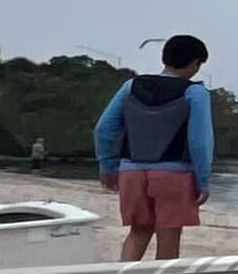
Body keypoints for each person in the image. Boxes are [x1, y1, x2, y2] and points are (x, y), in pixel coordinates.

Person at [91, 35, 216, 261]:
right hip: (174, 173)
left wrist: (107, 166)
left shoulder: (131, 86)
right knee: (169, 235)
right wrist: (203, 180)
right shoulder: (195, 93)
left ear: (164, 58)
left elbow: (104, 129)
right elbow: (200, 141)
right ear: (196, 63)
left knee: (138, 231)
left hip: (130, 171)